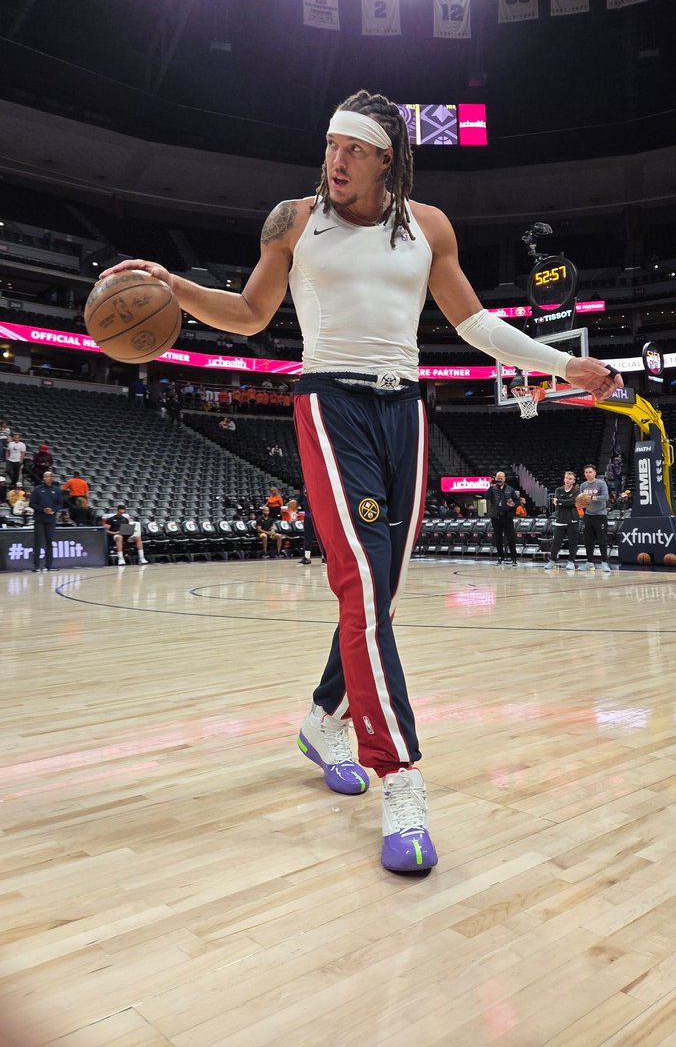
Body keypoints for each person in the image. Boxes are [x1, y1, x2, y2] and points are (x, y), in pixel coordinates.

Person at [101, 88, 622, 873]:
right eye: (329, 147)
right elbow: (248, 313)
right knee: (363, 596)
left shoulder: (429, 226)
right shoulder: (291, 220)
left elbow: (474, 325)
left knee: (379, 592)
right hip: (329, 401)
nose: (334, 161)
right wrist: (175, 288)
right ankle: (402, 777)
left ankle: (322, 717)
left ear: (386, 158)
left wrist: (563, 364)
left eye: (351, 150)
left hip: (406, 409)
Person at [545, 470, 581, 571]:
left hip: (572, 520)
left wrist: (560, 502)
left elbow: (573, 502)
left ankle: (571, 561)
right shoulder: (558, 490)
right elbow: (557, 502)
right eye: (566, 478)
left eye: (570, 479)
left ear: (573, 481)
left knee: (573, 542)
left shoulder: (576, 491)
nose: (567, 480)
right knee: (556, 542)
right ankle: (552, 561)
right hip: (560, 520)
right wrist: (565, 502)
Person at [579, 463, 611, 573]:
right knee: (588, 540)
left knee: (602, 540)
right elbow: (581, 501)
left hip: (600, 515)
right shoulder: (583, 486)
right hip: (588, 515)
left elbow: (605, 497)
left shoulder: (601, 483)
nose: (588, 474)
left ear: (595, 473)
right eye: (586, 472)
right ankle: (589, 562)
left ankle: (604, 562)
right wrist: (581, 503)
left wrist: (591, 497)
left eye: (590, 472)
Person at [28, 471, 63, 571]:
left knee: (49, 543)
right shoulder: (37, 490)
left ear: (51, 478)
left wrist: (53, 510)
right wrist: (42, 509)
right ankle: (36, 566)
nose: (46, 478)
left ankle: (49, 565)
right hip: (39, 518)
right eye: (44, 476)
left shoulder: (56, 490)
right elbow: (32, 504)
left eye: (48, 476)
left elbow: (60, 504)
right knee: (38, 542)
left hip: (51, 519)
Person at [485, 471, 519, 566]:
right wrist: (490, 486)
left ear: (504, 479)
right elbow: (486, 497)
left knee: (511, 538)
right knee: (498, 538)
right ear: (495, 478)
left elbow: (517, 501)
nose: (499, 479)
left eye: (501, 478)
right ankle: (500, 558)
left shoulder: (510, 489)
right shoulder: (492, 489)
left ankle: (514, 558)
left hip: (507, 517)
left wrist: (513, 504)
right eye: (498, 478)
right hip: (496, 517)